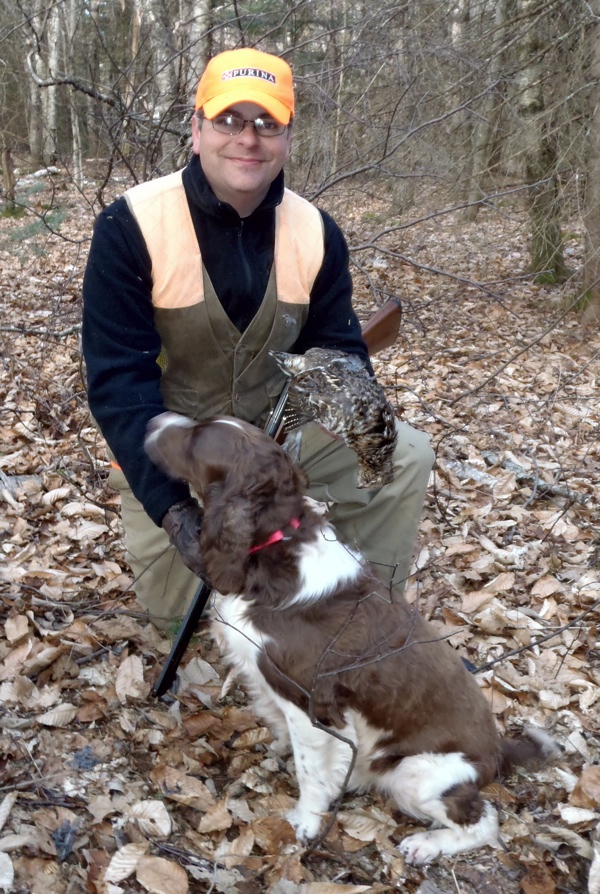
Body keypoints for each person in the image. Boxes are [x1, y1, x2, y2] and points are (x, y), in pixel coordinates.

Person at [82, 47, 434, 629]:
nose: (248, 138)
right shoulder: (130, 226)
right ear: (196, 131)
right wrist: (173, 512)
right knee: (179, 621)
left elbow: (340, 350)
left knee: (400, 455)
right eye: (228, 120)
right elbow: (118, 384)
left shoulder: (317, 232)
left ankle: (365, 619)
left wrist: (347, 400)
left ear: (287, 139)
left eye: (267, 123)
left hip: (280, 439)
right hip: (178, 452)